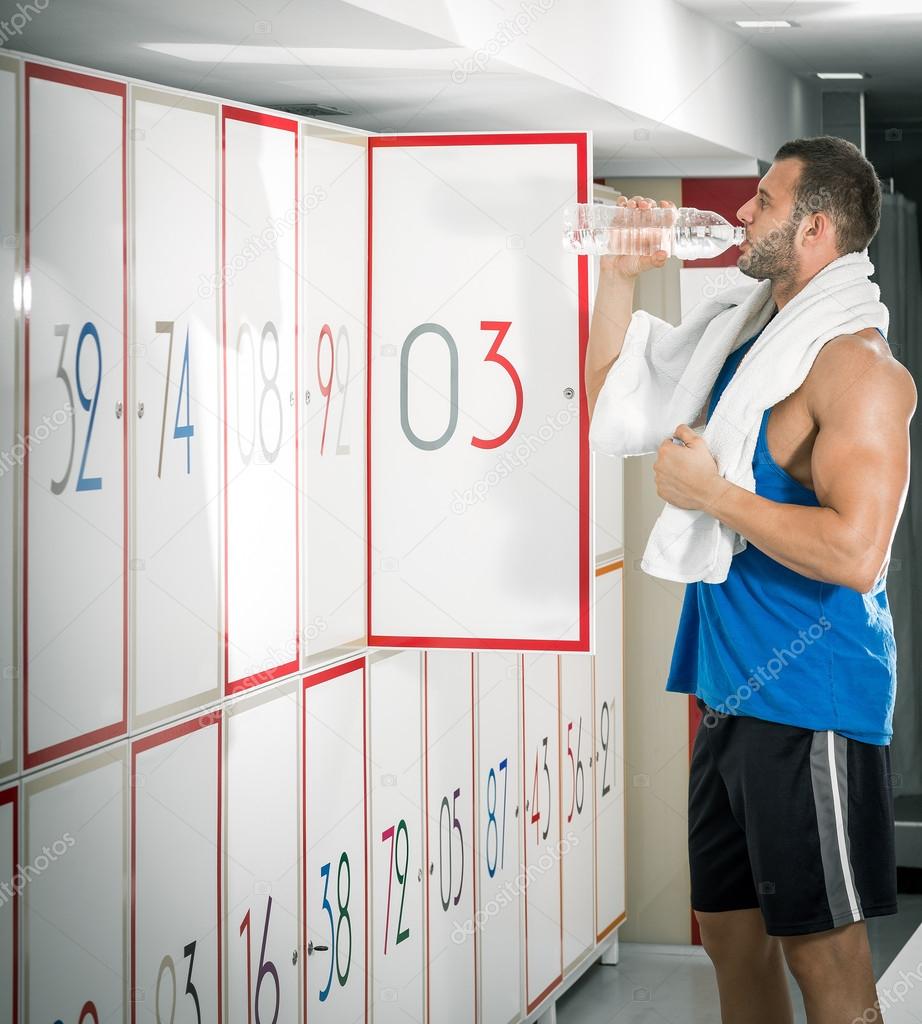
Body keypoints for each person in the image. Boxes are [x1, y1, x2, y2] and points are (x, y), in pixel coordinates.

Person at [585, 136, 917, 1024]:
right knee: (733, 943)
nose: (740, 212)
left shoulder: (859, 369)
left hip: (811, 702)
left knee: (828, 967)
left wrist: (718, 496)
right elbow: (613, 397)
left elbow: (857, 554)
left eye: (762, 201)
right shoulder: (746, 336)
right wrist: (618, 278)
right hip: (727, 696)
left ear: (813, 227)